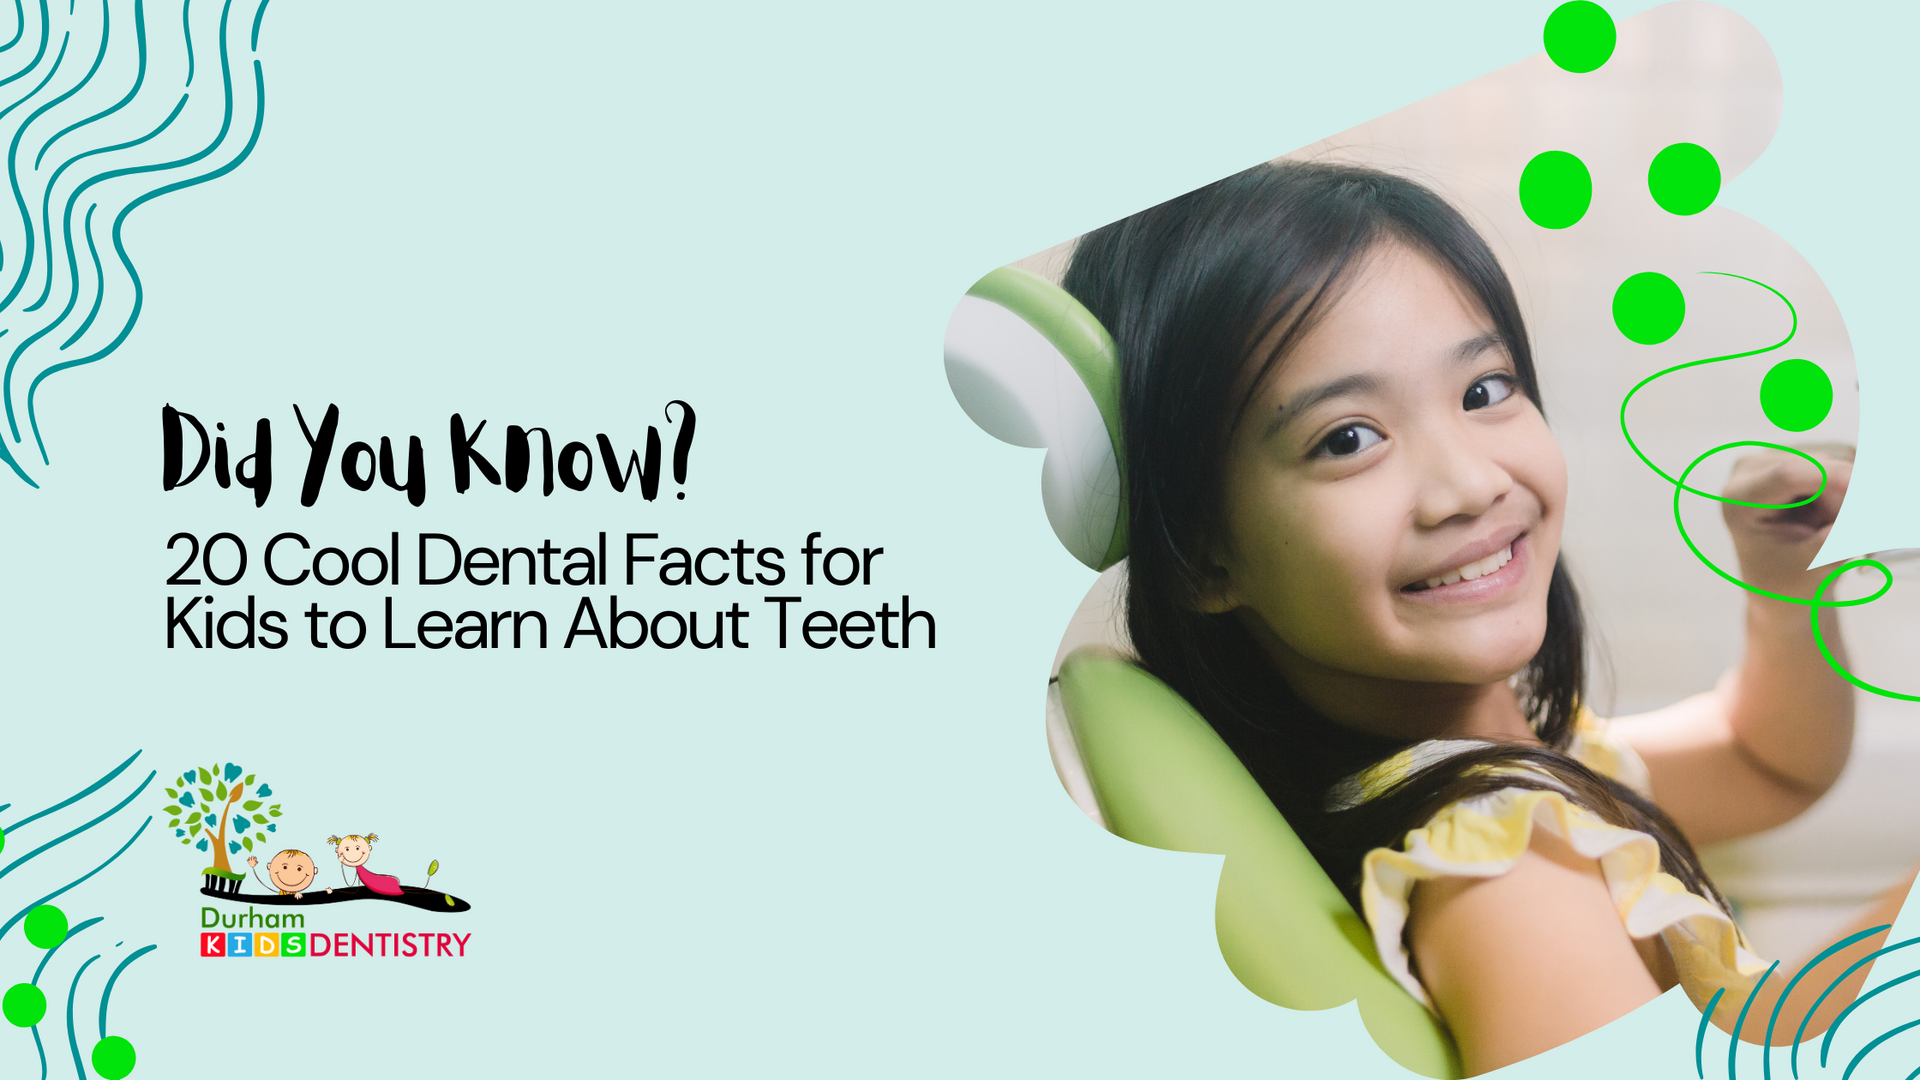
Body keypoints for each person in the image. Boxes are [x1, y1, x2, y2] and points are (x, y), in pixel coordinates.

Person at [1059, 160, 1908, 1074]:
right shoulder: (1506, 876)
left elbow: (1767, 763)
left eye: (1484, 390)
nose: (1470, 483)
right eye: (1348, 438)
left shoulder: (1513, 781)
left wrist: (1781, 582)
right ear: (1203, 555)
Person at [327, 832, 403, 895]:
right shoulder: (359, 871)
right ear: (337, 850)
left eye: (357, 848)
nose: (354, 853)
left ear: (369, 848)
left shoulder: (361, 871)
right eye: (347, 849)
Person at [247, 848, 317, 899]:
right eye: (285, 867)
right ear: (270, 866)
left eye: (299, 869)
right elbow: (261, 880)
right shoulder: (282, 892)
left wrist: (297, 895)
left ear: (314, 871)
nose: (291, 875)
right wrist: (253, 867)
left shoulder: (296, 894)